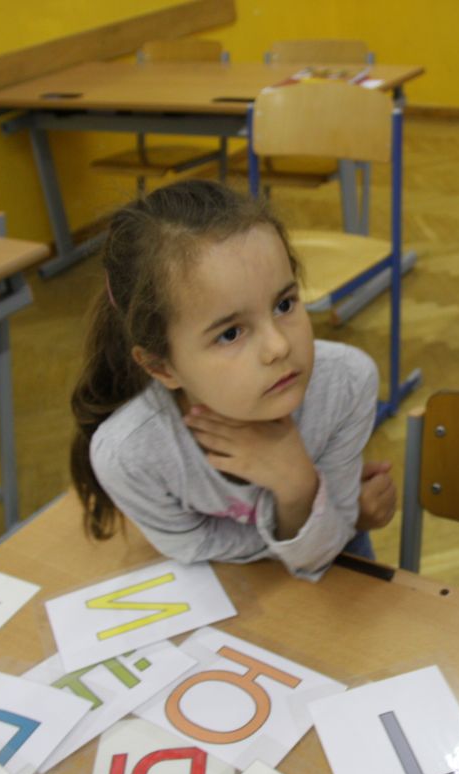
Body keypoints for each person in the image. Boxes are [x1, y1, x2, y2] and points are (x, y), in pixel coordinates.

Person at [70, 179, 394, 581]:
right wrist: (324, 509)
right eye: (230, 334)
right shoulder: (129, 453)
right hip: (238, 589)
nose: (278, 346)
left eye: (284, 304)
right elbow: (195, 549)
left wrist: (299, 488)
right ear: (161, 367)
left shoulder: (346, 383)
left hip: (341, 580)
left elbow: (327, 553)